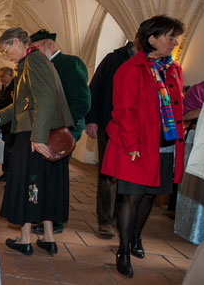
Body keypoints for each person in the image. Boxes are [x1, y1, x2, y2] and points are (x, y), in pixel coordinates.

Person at [0, 27, 73, 256]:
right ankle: (48, 238)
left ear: (17, 42)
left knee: (29, 184)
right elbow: (22, 106)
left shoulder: (33, 61)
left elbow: (46, 98)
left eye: (5, 50)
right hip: (40, 133)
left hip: (34, 136)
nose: (5, 56)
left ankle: (25, 238)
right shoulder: (32, 62)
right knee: (44, 185)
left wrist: (37, 137)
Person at [101, 15, 185, 278]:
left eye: (175, 37)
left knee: (150, 195)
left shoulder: (174, 70)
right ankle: (123, 250)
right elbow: (123, 110)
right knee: (131, 196)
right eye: (170, 36)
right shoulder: (130, 69)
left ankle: (136, 236)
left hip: (165, 144)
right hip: (137, 144)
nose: (174, 42)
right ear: (152, 39)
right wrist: (131, 143)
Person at [28, 29, 91, 235]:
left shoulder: (71, 64)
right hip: (45, 129)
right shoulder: (41, 66)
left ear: (48, 45)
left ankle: (55, 221)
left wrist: (65, 128)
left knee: (57, 177)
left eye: (36, 48)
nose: (33, 53)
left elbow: (82, 101)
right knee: (42, 176)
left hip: (63, 130)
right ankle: (42, 216)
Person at [85, 40, 137, 238]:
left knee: (129, 176)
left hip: (135, 128)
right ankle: (106, 220)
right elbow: (95, 89)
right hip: (109, 124)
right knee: (109, 174)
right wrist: (92, 120)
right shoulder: (113, 59)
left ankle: (122, 218)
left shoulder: (153, 62)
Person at [0, 67, 15, 182]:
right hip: (6, 124)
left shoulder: (14, 86)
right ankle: (6, 173)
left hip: (12, 124)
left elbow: (11, 105)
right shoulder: (5, 86)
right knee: (6, 149)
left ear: (10, 75)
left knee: (9, 150)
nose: (1, 79)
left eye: (3, 76)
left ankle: (9, 175)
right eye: (0, 76)